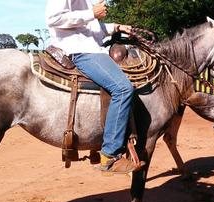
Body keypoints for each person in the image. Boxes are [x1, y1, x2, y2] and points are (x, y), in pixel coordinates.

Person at [46, 0, 143, 174]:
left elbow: (90, 30)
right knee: (123, 88)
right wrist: (92, 13)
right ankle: (110, 154)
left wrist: (117, 27)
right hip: (80, 51)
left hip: (90, 48)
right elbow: (54, 19)